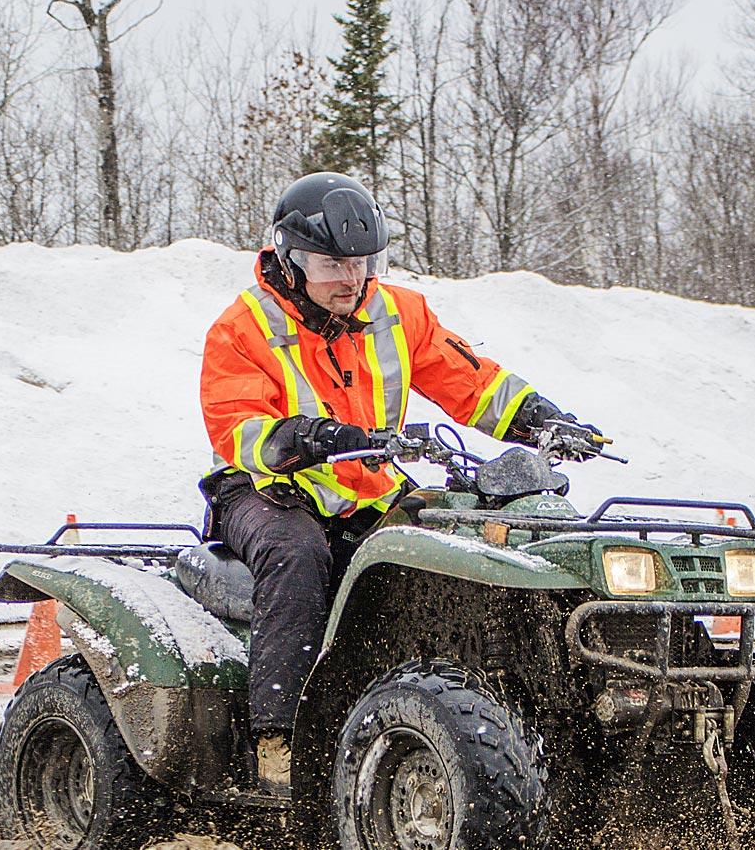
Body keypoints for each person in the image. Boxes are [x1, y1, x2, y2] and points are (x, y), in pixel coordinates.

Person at [197, 172, 596, 794]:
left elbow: (472, 381)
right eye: (331, 262)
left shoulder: (396, 312)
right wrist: (308, 438)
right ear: (288, 258)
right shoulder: (241, 328)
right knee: (297, 556)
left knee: (464, 537)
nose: (350, 278)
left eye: (362, 262)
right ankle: (278, 738)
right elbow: (238, 429)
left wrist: (544, 420)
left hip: (371, 492)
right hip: (267, 492)